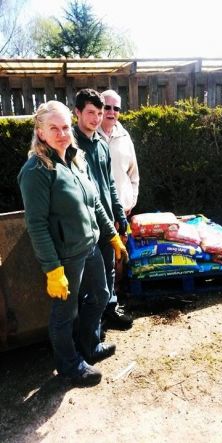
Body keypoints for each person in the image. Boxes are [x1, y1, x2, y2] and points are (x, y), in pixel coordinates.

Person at [17, 100, 128, 387]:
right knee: (65, 313)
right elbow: (37, 225)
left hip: (90, 247)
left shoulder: (76, 159)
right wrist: (53, 270)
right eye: (53, 128)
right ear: (40, 132)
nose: (62, 133)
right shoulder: (36, 172)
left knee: (102, 296)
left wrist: (111, 235)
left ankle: (89, 346)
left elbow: (95, 205)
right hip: (66, 257)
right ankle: (69, 366)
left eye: (65, 126)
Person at [74, 88, 133, 331]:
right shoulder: (70, 145)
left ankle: (110, 310)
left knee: (109, 270)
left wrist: (120, 216)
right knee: (88, 280)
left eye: (99, 112)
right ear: (77, 112)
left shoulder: (101, 144)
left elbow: (109, 185)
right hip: (85, 225)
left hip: (107, 221)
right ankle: (89, 327)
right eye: (91, 112)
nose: (96, 118)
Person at [98, 89, 139, 217]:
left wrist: (131, 201)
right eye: (107, 107)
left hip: (122, 211)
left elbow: (134, 174)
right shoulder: (89, 136)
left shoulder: (124, 136)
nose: (112, 112)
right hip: (98, 213)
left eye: (116, 108)